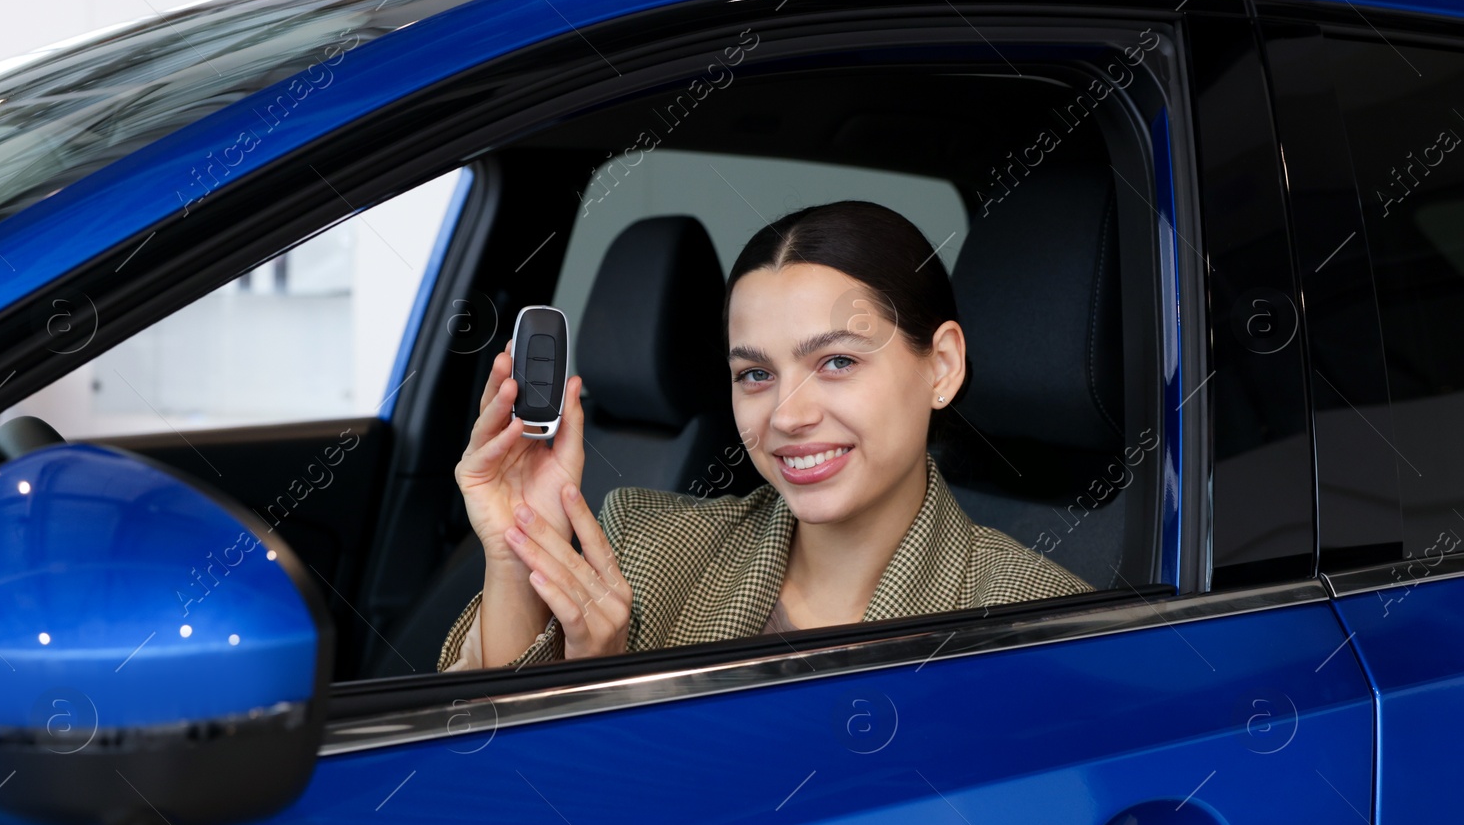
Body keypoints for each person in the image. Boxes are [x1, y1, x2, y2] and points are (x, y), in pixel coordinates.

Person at [437, 200, 1093, 671]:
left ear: (941, 366)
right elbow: (481, 798)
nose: (786, 414)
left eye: (836, 361)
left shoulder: (1044, 626)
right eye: (754, 373)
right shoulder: (646, 546)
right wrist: (517, 548)